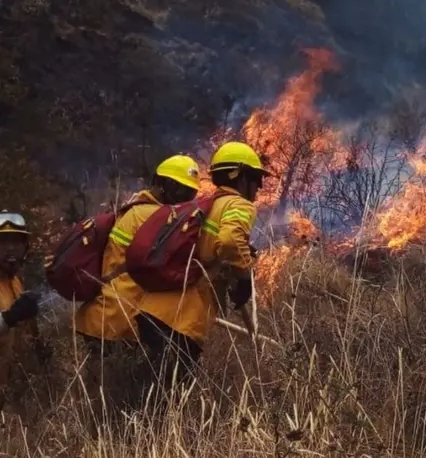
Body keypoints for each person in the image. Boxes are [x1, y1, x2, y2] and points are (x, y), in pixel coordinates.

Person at [133, 142, 266, 405]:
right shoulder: (238, 204)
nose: (259, 187)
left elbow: (208, 249)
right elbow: (228, 241)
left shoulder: (205, 205)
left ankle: (127, 438)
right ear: (239, 176)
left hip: (152, 309)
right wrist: (243, 278)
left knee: (149, 394)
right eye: (256, 179)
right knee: (168, 401)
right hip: (181, 319)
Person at [72, 155, 201, 417]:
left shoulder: (135, 208)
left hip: (101, 316)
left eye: (188, 193)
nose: (181, 197)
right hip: (118, 320)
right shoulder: (153, 215)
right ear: (160, 184)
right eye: (177, 189)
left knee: (102, 400)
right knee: (121, 405)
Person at [0, 211, 47, 413]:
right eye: (3, 242)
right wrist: (8, 318)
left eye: (17, 242)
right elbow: (10, 320)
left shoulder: (16, 282)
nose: (11, 248)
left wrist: (40, 350)